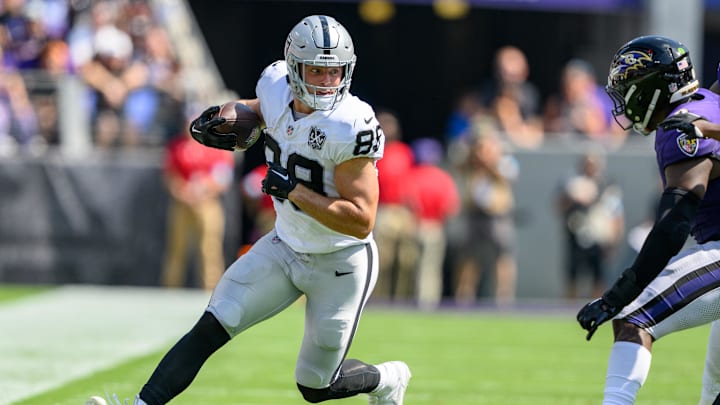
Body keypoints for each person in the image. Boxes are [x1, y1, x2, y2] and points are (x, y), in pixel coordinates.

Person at [103, 15, 411, 405]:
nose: (326, 81)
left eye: (334, 73)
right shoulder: (275, 85)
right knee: (213, 323)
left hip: (341, 263)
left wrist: (296, 192)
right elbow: (259, 109)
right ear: (295, 69)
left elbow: (361, 219)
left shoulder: (350, 123)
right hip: (284, 245)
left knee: (315, 386)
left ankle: (387, 379)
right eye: (316, 71)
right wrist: (227, 115)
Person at [575, 35, 720, 404]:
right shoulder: (709, 103)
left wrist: (617, 295)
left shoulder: (683, 127)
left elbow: (674, 226)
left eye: (628, 89)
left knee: (633, 317)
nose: (624, 101)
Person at [451, 116, 519, 306]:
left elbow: (509, 176)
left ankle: (504, 298)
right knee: (469, 257)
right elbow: (457, 164)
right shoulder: (470, 158)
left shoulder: (504, 158)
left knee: (503, 257)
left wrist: (490, 160)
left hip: (498, 215)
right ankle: (463, 296)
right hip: (475, 213)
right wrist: (474, 155)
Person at [160, 123, 235, 291]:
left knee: (210, 248)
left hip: (208, 203)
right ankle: (170, 289)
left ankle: (212, 290)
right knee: (177, 247)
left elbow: (224, 176)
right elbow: (170, 175)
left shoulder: (215, 146)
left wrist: (206, 187)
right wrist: (183, 192)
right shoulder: (177, 146)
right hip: (182, 203)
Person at [555, 149, 624, 300]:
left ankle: (596, 306)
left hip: (599, 236)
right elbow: (559, 207)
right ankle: (567, 309)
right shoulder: (572, 183)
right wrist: (572, 197)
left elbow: (616, 215)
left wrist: (614, 240)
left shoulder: (608, 186)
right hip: (576, 232)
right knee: (573, 274)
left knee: (599, 275)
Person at [405, 137, 460, 310]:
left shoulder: (412, 174)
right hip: (435, 227)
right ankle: (427, 305)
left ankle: (405, 303)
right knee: (430, 269)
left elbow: (407, 201)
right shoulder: (443, 177)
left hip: (414, 226)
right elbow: (451, 208)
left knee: (409, 270)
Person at [372, 108, 419, 304]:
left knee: (406, 260)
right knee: (382, 259)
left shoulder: (404, 151)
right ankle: (378, 300)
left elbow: (410, 183)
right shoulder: (373, 152)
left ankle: (401, 301)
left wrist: (413, 211)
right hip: (382, 209)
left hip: (402, 210)